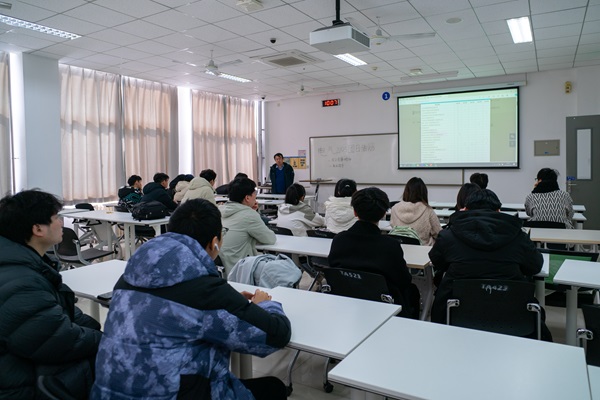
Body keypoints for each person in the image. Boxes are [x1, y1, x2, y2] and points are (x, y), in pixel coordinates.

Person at [91, 199, 290, 400]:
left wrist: (231, 302)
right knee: (273, 388)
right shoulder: (206, 292)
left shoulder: (128, 277)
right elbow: (276, 335)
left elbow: (174, 306)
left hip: (107, 393)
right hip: (174, 393)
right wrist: (265, 305)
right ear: (214, 242)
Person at [0, 189, 102, 399]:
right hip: (21, 385)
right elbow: (59, 341)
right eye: (56, 217)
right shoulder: (22, 283)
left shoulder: (26, 264)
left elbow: (62, 312)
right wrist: (105, 339)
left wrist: (94, 328)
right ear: (38, 229)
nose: (61, 223)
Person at [428, 189, 551, 341]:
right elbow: (535, 266)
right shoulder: (518, 236)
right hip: (512, 318)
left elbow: (437, 262)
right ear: (498, 210)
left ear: (465, 209)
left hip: (455, 315)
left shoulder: (448, 235)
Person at [328, 187, 418, 318]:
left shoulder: (339, 240)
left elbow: (334, 270)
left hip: (346, 304)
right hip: (385, 309)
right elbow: (404, 280)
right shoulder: (390, 245)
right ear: (383, 214)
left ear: (355, 212)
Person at [220, 177, 276, 275]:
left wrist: (251, 211)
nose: (255, 197)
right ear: (247, 198)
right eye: (255, 194)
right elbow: (270, 239)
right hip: (241, 270)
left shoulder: (221, 210)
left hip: (224, 269)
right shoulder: (249, 215)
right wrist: (252, 213)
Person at [390, 177, 442, 245]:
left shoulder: (394, 208)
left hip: (400, 247)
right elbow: (438, 233)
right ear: (424, 192)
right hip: (423, 249)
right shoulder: (428, 210)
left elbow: (393, 227)